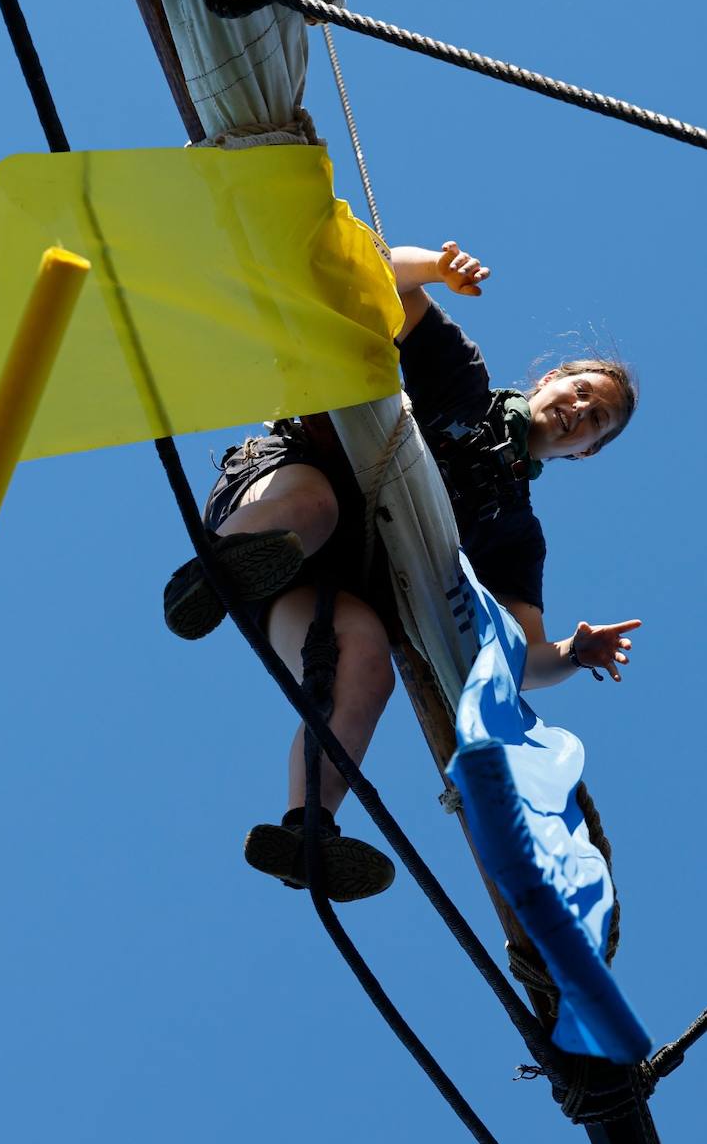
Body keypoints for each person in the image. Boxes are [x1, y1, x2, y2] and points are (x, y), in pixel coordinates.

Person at [163, 242, 641, 901]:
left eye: (595, 422)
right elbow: (377, 275)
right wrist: (436, 269)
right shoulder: (460, 378)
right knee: (317, 507)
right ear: (549, 377)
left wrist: (572, 652)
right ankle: (207, 575)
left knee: (364, 663)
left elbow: (522, 659)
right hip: (293, 484)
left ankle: (307, 831)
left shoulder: (513, 529)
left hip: (333, 584)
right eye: (580, 392)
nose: (579, 411)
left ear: (584, 453)